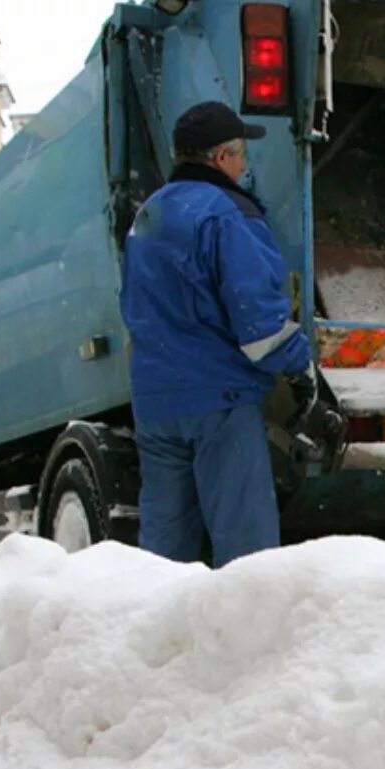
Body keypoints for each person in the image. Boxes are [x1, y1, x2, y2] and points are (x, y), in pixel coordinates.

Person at [119, 100, 314, 567]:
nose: (245, 165)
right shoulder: (227, 214)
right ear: (221, 157)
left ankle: (162, 634)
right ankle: (245, 639)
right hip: (218, 402)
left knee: (165, 549)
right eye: (242, 154)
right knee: (245, 551)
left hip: (156, 402)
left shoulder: (148, 216)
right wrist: (302, 366)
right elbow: (258, 323)